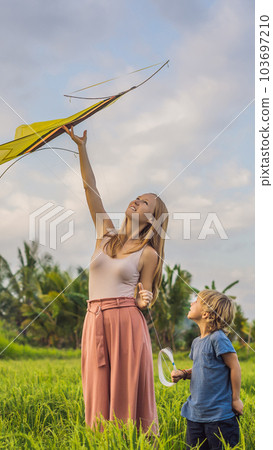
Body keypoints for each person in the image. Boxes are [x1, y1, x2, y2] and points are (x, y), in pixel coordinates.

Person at [63, 125, 169, 432]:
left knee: (125, 391)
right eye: (136, 198)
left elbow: (144, 296)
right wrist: (81, 148)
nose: (136, 202)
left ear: (152, 218)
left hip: (126, 321)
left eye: (145, 203)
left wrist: (144, 297)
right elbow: (90, 189)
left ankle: (128, 440)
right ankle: (101, 439)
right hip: (93, 318)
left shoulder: (148, 253)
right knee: (96, 389)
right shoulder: (105, 233)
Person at [171, 290, 243, 449]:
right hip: (195, 415)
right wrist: (183, 374)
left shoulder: (218, 338)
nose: (191, 303)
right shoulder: (197, 342)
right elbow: (202, 369)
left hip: (219, 417)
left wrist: (235, 399)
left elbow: (234, 366)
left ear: (207, 314)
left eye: (196, 301)